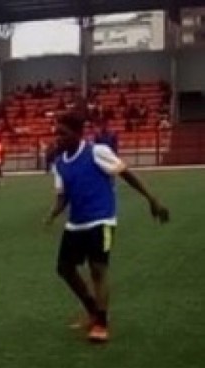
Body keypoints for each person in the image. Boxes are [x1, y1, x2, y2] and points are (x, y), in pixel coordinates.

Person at [44, 113, 169, 344]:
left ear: (78, 133)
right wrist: (53, 213)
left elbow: (126, 174)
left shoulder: (97, 152)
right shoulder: (59, 163)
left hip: (101, 220)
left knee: (98, 269)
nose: (58, 137)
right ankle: (93, 309)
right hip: (76, 223)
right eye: (56, 133)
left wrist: (152, 199)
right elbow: (63, 196)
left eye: (63, 133)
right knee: (64, 268)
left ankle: (101, 324)